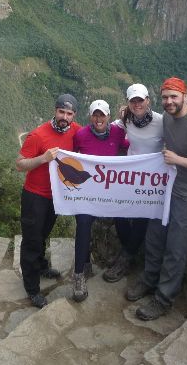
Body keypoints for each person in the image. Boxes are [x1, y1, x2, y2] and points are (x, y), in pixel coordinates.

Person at [126, 76, 187, 320]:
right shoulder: (167, 117)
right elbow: (145, 119)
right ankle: (149, 279)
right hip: (168, 187)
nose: (169, 101)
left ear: (184, 97)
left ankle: (163, 299)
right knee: (155, 236)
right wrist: (126, 113)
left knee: (176, 247)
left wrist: (179, 161)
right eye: (165, 97)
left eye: (174, 97)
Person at [16, 93, 80, 308]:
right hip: (35, 196)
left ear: (74, 115)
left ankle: (41, 266)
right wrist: (43, 158)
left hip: (56, 196)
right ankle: (32, 288)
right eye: (61, 111)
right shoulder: (38, 135)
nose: (64, 116)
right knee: (32, 240)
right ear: (55, 111)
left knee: (43, 234)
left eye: (69, 113)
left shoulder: (76, 131)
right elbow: (20, 164)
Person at [102, 83, 164, 283]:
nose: (137, 104)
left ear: (148, 100)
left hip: (151, 179)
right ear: (128, 103)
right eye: (133, 101)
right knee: (119, 212)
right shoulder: (126, 120)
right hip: (130, 175)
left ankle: (126, 257)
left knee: (140, 218)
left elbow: (177, 137)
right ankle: (128, 253)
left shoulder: (161, 122)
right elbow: (107, 129)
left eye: (140, 100)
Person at [70, 99, 129, 302]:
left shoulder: (117, 133)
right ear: (90, 116)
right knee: (84, 223)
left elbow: (130, 149)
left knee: (123, 219)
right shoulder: (81, 135)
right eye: (95, 115)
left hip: (111, 191)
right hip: (87, 192)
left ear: (108, 117)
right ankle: (79, 273)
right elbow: (72, 156)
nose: (98, 119)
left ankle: (127, 257)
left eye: (102, 115)